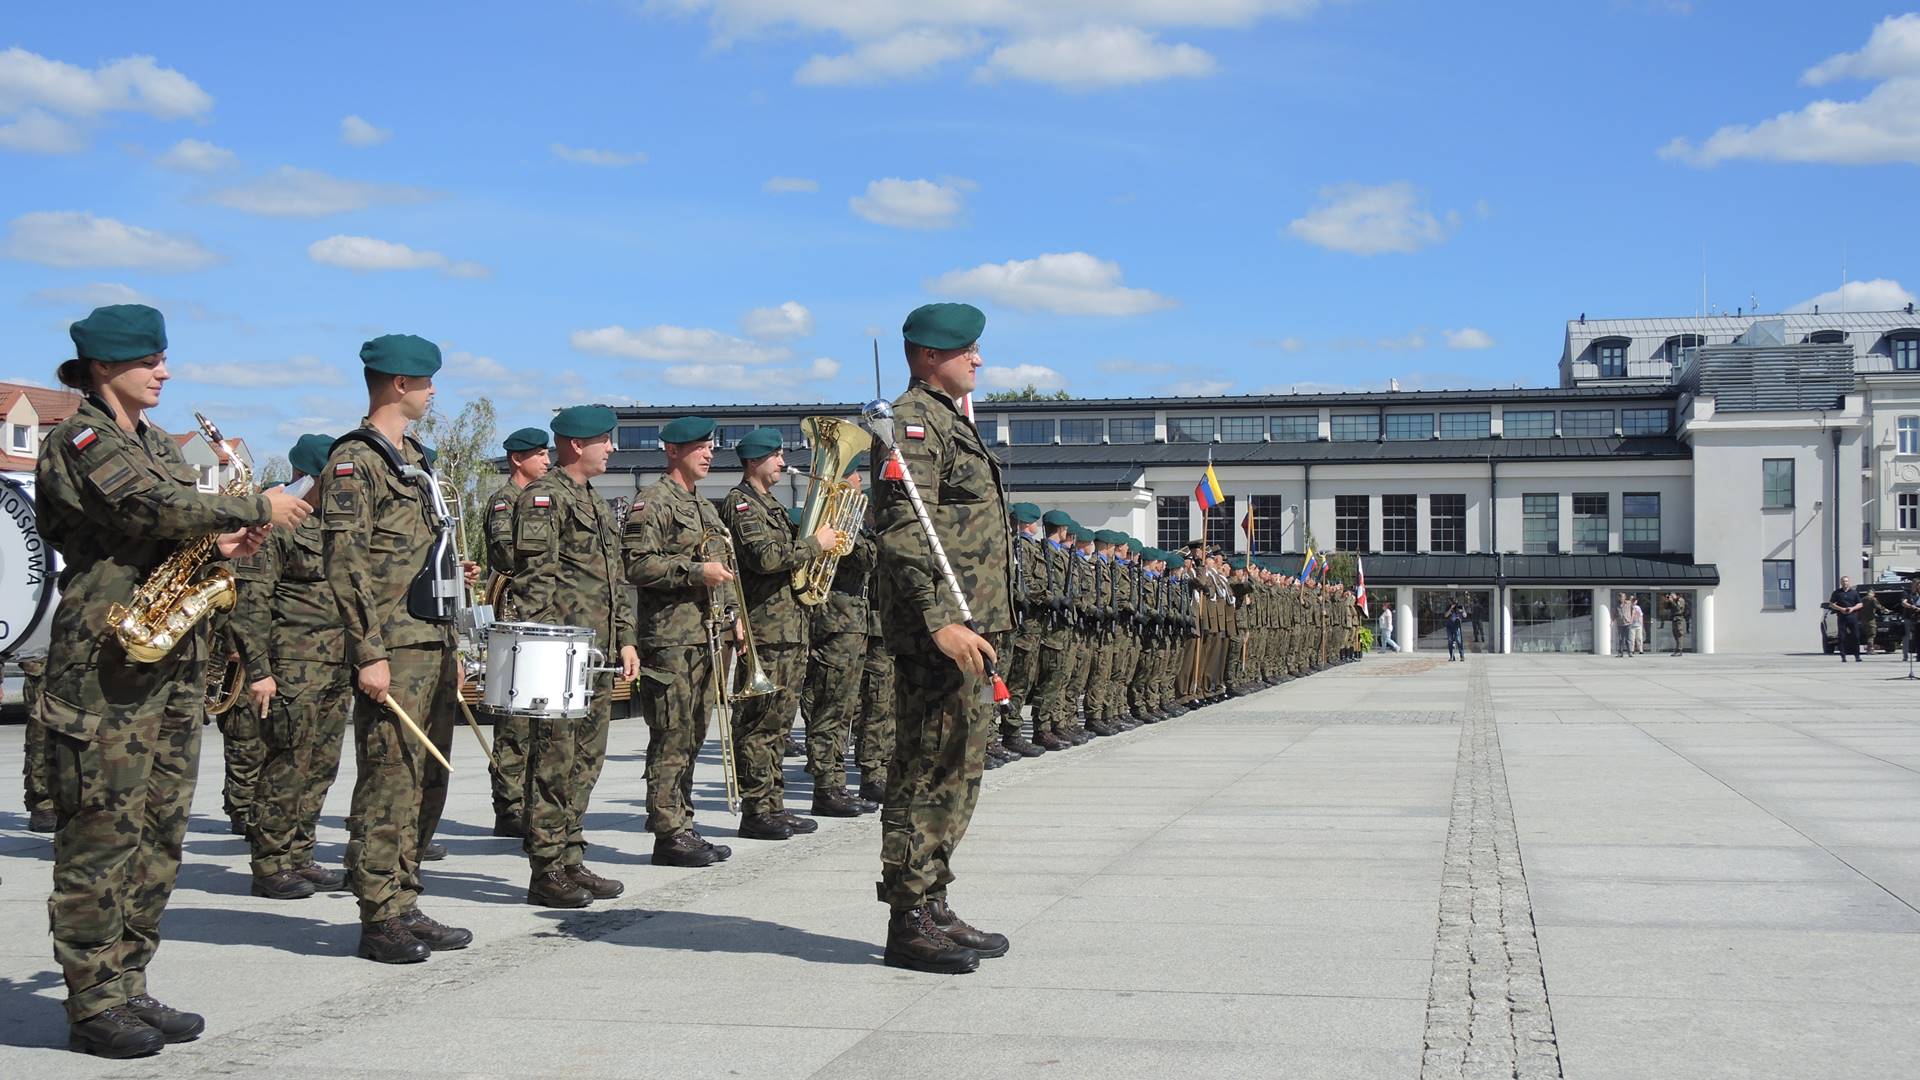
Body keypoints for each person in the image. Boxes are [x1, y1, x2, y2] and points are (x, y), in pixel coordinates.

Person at [37, 304, 310, 1056]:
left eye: (162, 357)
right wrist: (253, 504)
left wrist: (223, 543)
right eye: (148, 360)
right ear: (102, 367)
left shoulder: (156, 442)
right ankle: (94, 1001)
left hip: (173, 660)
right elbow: (147, 506)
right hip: (106, 663)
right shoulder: (81, 438)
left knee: (159, 834)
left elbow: (175, 528)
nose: (164, 371)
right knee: (101, 834)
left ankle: (130, 982)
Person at [870, 302, 1015, 975]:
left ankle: (934, 900)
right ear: (930, 355)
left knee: (959, 769)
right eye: (966, 349)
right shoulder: (913, 421)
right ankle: (908, 919)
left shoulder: (949, 420)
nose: (977, 359)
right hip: (941, 631)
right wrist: (938, 619)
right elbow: (904, 527)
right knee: (926, 768)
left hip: (971, 625)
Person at [322, 334, 473, 965]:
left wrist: (454, 638)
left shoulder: (414, 458)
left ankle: (405, 899)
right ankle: (378, 914)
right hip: (392, 644)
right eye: (426, 381)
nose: (433, 392)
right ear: (398, 384)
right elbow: (345, 561)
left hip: (431, 639)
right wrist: (368, 651)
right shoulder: (357, 461)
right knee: (390, 780)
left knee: (426, 780)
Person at [503, 406, 639, 908]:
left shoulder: (593, 500)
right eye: (605, 440)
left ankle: (570, 854)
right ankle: (545, 868)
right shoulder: (544, 498)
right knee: (554, 759)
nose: (612, 448)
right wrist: (545, 652)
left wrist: (625, 639)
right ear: (577, 445)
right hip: (561, 654)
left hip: (596, 654)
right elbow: (533, 582)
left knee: (586, 759)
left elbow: (614, 580)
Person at [231, 433, 352, 902]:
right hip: (293, 665)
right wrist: (259, 670)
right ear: (308, 476)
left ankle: (300, 854)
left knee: (320, 767)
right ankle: (270, 863)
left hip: (336, 664)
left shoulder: (335, 525)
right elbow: (251, 601)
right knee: (286, 766)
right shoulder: (277, 526)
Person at [622, 416, 736, 868]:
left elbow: (723, 566)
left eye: (710, 446)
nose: (709, 453)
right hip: (670, 638)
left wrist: (732, 616)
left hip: (704, 636)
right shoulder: (653, 501)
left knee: (693, 735)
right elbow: (637, 564)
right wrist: (694, 572)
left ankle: (683, 823)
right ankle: (668, 832)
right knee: (671, 736)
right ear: (673, 451)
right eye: (698, 447)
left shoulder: (703, 506)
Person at [723, 427, 841, 840]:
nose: (782, 462)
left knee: (778, 725)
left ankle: (774, 805)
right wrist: (815, 544)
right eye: (775, 455)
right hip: (764, 630)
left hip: (789, 628)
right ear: (755, 460)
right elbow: (766, 558)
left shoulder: (770, 504)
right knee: (758, 724)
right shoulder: (741, 504)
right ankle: (757, 811)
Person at [799, 470, 881, 817]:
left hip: (850, 622)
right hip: (836, 621)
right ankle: (826, 787)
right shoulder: (833, 520)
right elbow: (867, 557)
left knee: (843, 708)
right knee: (831, 708)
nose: (859, 480)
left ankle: (835, 783)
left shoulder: (844, 520)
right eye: (852, 474)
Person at [482, 426, 551, 839]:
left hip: (542, 614)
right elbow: (507, 555)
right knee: (514, 719)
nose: (546, 461)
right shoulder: (505, 502)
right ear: (517, 459)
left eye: (547, 453)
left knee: (539, 713)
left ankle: (529, 798)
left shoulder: (545, 499)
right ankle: (508, 805)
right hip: (514, 612)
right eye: (539, 455)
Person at [1829, 576, 1864, 661]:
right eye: (1843, 581)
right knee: (1842, 637)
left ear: (1849, 582)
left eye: (1846, 581)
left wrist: (1852, 608)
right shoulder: (1837, 593)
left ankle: (1857, 656)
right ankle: (1843, 656)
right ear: (1841, 583)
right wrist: (1841, 609)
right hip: (1842, 617)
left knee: (1856, 636)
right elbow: (1831, 604)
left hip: (1852, 617)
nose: (1845, 583)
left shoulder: (1854, 593)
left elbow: (1860, 604)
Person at [1901, 581, 1920, 662]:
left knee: (1917, 637)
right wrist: (1912, 607)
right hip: (1908, 617)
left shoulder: (1918, 594)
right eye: (1916, 585)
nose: (1917, 587)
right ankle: (1905, 656)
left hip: (1917, 618)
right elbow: (1903, 603)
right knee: (1906, 636)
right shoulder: (1907, 593)